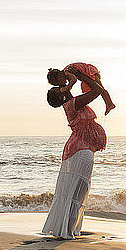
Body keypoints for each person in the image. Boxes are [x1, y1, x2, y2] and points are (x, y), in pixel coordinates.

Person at [42, 65, 107, 239]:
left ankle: (67, 228)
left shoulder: (70, 103)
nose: (63, 86)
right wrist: (82, 76)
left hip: (78, 149)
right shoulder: (73, 103)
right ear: (61, 96)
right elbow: (97, 91)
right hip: (81, 150)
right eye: (60, 89)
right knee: (77, 190)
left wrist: (75, 80)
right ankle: (68, 229)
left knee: (74, 191)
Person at [47, 62, 116, 115]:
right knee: (99, 89)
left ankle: (109, 103)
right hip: (87, 72)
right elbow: (97, 90)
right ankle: (109, 103)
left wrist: (69, 86)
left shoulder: (67, 72)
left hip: (89, 71)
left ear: (60, 75)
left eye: (59, 82)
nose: (62, 85)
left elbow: (74, 79)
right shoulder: (72, 105)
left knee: (101, 89)